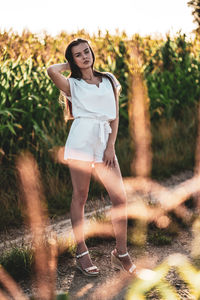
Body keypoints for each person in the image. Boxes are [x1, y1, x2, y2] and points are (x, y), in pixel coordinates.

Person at [47, 38, 136, 277]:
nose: (85, 56)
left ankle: (121, 252)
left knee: (120, 197)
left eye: (87, 51)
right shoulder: (72, 84)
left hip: (104, 140)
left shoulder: (108, 79)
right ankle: (81, 251)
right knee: (81, 195)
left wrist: (111, 147)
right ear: (72, 60)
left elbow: (115, 116)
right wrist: (70, 66)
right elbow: (50, 70)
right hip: (81, 141)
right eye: (78, 54)